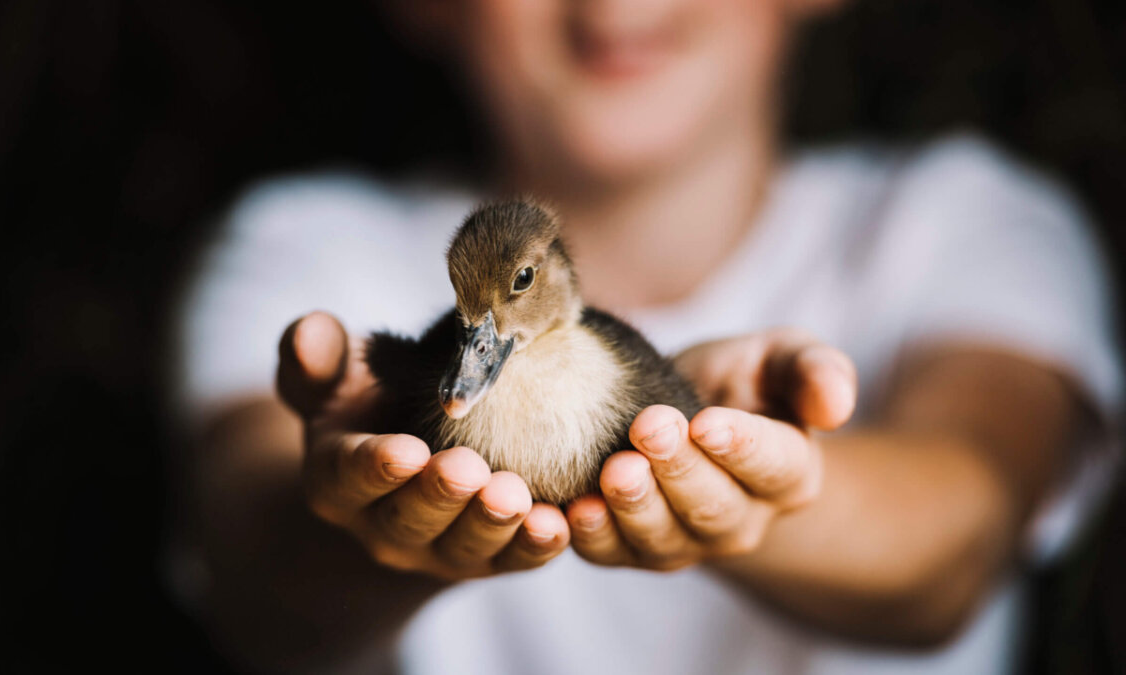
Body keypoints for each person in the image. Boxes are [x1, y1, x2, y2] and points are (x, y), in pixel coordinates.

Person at [167, 1, 1121, 673]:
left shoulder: (962, 225)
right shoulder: (310, 250)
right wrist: (367, 527)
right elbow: (257, 582)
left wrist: (753, 493)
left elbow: (959, 539)